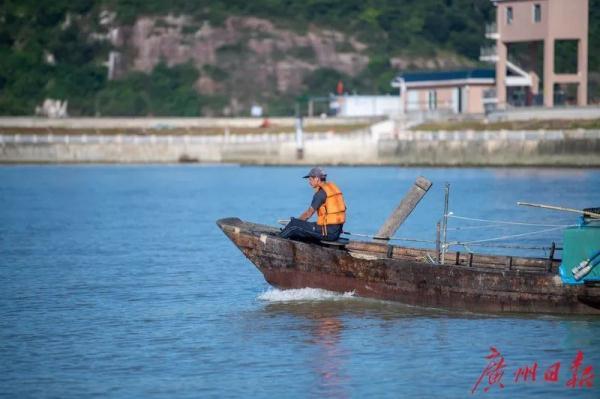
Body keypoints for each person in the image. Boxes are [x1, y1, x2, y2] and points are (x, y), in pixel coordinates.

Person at [279, 167, 346, 242]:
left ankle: (277, 240)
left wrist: (296, 222)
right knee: (299, 225)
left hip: (328, 233)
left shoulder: (320, 194)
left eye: (310, 179)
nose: (309, 182)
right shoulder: (333, 189)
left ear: (317, 179)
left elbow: (308, 214)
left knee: (294, 224)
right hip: (335, 232)